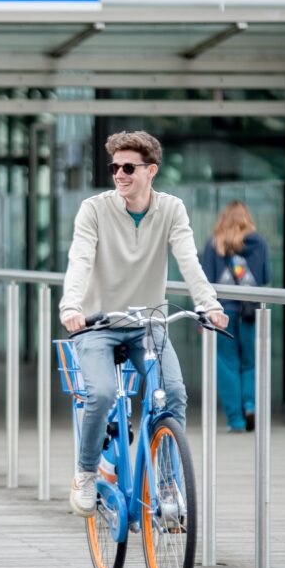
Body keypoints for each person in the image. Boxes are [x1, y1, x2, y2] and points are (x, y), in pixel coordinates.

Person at [59, 130, 229, 516]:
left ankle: (168, 485)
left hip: (147, 322)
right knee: (101, 394)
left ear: (150, 171)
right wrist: (71, 306)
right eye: (114, 166)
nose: (119, 174)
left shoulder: (171, 209)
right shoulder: (94, 209)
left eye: (128, 167)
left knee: (173, 393)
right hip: (97, 322)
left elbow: (188, 259)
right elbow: (81, 259)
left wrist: (208, 304)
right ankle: (86, 473)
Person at [199, 201, 271, 433]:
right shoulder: (259, 243)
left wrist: (201, 315)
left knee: (227, 364)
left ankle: (236, 420)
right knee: (251, 363)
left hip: (221, 312)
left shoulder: (213, 245)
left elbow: (204, 281)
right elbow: (266, 276)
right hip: (252, 311)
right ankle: (250, 405)